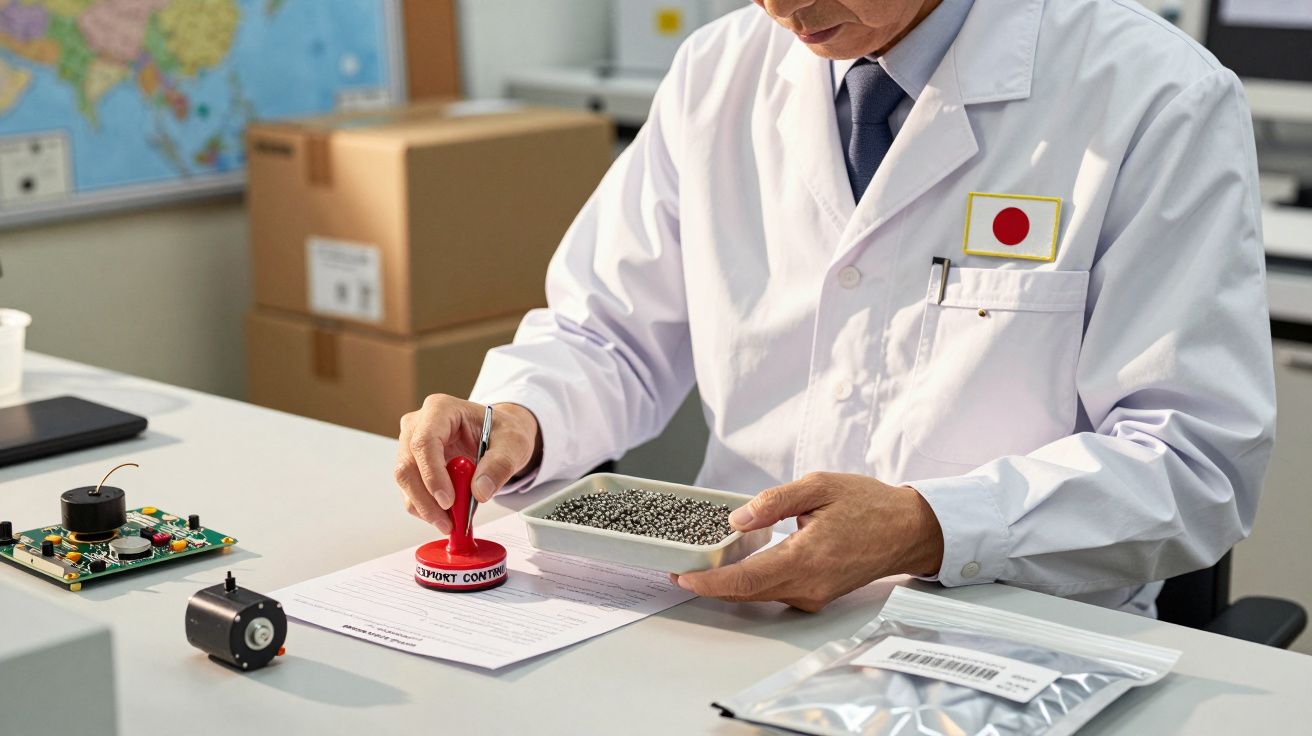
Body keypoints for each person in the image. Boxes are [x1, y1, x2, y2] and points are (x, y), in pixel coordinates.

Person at [395, 0, 1275, 615]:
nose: (783, 7)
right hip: (728, 612)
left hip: (1015, 629)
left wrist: (930, 528)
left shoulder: (1153, 96)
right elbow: (608, 333)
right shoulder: (718, 72)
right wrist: (522, 417)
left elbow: (1190, 461)